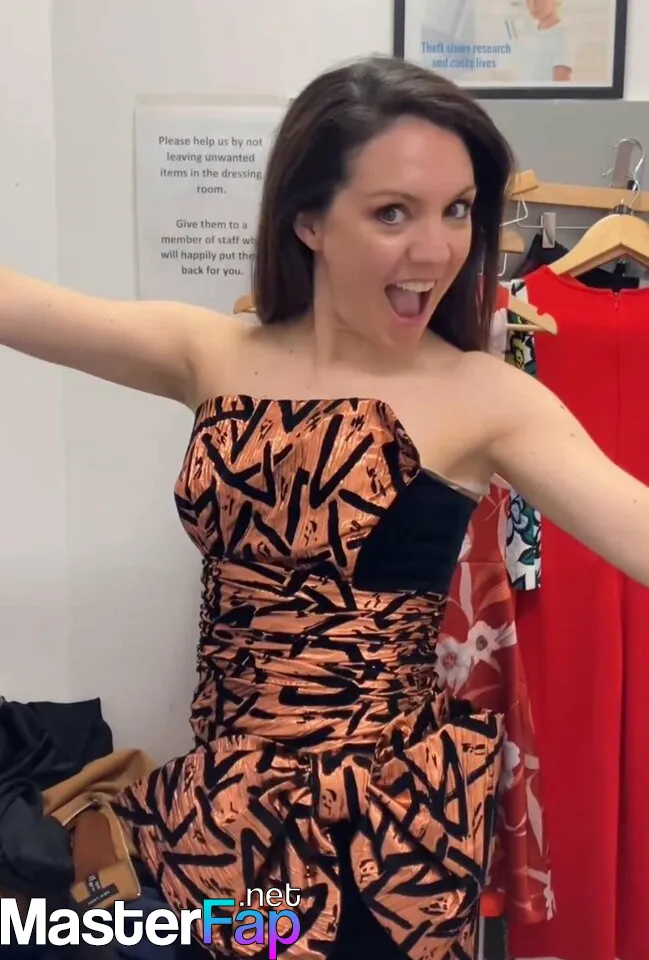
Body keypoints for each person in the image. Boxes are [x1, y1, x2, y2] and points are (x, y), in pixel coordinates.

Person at [2, 54, 648, 959]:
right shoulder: (209, 352)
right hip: (221, 822)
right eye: (393, 213)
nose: (438, 250)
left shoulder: (486, 397)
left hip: (377, 850)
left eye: (457, 209)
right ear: (307, 219)